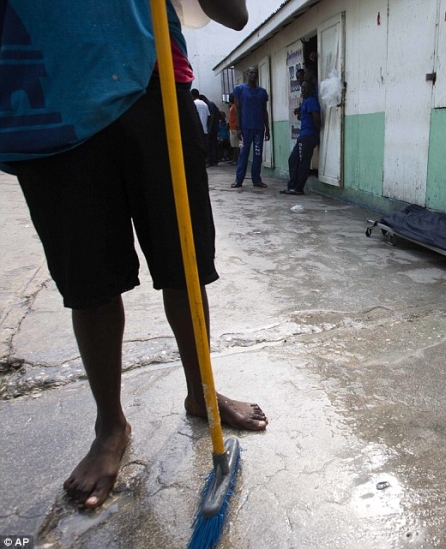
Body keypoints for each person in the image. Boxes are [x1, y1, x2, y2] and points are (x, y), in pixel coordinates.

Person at [0, 0, 267, 510]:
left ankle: (202, 395)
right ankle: (110, 426)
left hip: (155, 87)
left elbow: (233, 14)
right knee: (90, 280)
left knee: (184, 267)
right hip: (47, 91)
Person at [232, 66, 270, 188]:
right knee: (244, 153)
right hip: (245, 128)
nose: (253, 75)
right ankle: (239, 180)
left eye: (255, 73)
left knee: (258, 154)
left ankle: (256, 179)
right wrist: (238, 127)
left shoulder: (262, 92)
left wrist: (267, 128)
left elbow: (264, 110)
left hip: (258, 128)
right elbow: (237, 109)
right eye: (251, 72)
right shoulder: (239, 89)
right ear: (247, 74)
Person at [281, 80, 321, 196]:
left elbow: (316, 119)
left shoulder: (311, 101)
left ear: (311, 89)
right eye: (302, 88)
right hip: (304, 136)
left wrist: (315, 134)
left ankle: (298, 188)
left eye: (305, 88)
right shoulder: (305, 102)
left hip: (308, 136)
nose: (303, 90)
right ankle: (292, 186)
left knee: (303, 162)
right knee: (293, 160)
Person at [191, 88, 209, 152]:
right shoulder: (205, 104)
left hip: (196, 130)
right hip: (205, 130)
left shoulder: (193, 104)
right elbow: (208, 116)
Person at [228, 93, 240, 165]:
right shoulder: (232, 106)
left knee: (236, 146)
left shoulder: (235, 106)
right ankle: (234, 159)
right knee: (234, 145)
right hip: (232, 127)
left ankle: (236, 160)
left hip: (234, 127)